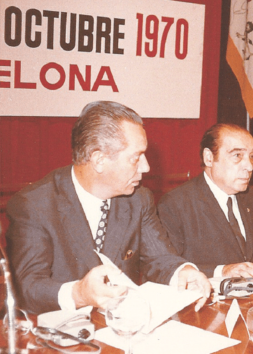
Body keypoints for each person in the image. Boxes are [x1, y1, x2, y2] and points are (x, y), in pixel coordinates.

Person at [6, 101, 211, 314]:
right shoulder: (35, 205)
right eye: (136, 157)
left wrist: (183, 271)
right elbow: (27, 288)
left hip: (121, 330)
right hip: (57, 334)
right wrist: (78, 294)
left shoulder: (138, 199)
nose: (146, 167)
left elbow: (160, 257)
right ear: (99, 160)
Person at [158, 124, 253, 280]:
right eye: (237, 156)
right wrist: (223, 271)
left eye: (251, 156)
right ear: (209, 158)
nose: (249, 166)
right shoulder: (176, 205)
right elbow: (167, 268)